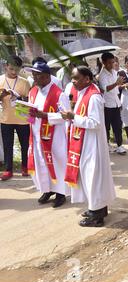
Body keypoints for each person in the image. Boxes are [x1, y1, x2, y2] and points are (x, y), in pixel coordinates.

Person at [61, 66, 116, 227]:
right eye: (72, 77)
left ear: (87, 79)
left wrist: (73, 116)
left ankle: (96, 216)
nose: (73, 81)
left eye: (76, 78)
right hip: (85, 142)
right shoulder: (84, 93)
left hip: (92, 144)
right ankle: (98, 209)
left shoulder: (94, 97)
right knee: (89, 178)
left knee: (93, 178)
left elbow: (95, 122)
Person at [27, 62, 70, 207]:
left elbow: (66, 116)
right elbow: (31, 112)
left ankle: (60, 193)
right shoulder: (33, 91)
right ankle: (47, 189)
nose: (34, 77)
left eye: (36, 75)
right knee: (42, 163)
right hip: (37, 134)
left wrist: (44, 115)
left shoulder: (59, 94)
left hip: (54, 136)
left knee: (57, 163)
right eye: (33, 75)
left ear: (46, 77)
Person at [0, 56, 31, 181]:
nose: (13, 72)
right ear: (6, 66)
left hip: (22, 118)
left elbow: (29, 100)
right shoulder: (0, 80)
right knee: (8, 145)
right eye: (11, 69)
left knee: (25, 144)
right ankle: (8, 170)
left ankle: (25, 167)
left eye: (16, 70)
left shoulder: (24, 82)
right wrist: (2, 95)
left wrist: (18, 98)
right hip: (6, 118)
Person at [98, 52, 127, 155]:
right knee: (106, 127)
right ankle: (106, 144)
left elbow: (115, 89)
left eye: (113, 62)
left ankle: (119, 146)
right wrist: (116, 83)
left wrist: (119, 85)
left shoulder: (114, 72)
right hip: (106, 105)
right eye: (109, 63)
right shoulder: (102, 75)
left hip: (115, 103)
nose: (111, 65)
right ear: (104, 62)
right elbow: (106, 88)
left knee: (118, 125)